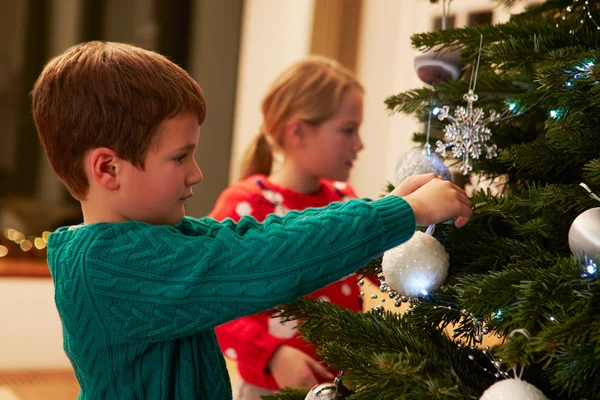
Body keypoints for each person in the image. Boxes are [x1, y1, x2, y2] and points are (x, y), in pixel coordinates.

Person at [32, 41, 472, 400]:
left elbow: (265, 235)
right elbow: (256, 259)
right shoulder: (111, 266)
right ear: (107, 169)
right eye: (180, 156)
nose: (196, 173)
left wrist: (391, 205)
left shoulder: (160, 238)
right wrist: (404, 213)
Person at [208, 56, 370, 398]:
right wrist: (271, 354)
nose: (359, 144)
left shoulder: (347, 201)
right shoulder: (246, 205)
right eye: (348, 129)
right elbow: (211, 300)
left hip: (346, 388)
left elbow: (385, 265)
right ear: (297, 132)